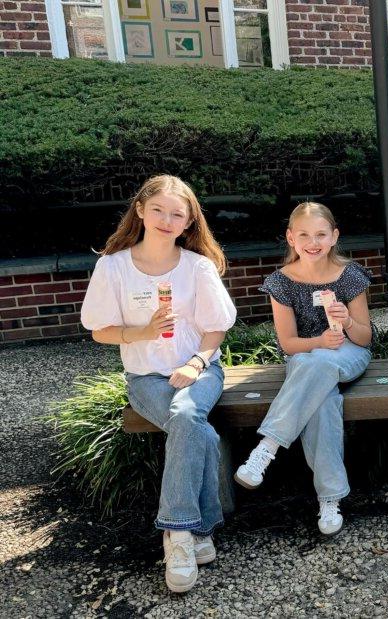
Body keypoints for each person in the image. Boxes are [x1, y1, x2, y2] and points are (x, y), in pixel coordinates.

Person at [80, 174, 236, 593]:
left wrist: (197, 363)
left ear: (188, 223)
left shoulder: (197, 266)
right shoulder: (113, 267)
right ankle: (200, 528)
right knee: (197, 429)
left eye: (177, 214)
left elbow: (216, 328)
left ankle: (177, 534)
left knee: (186, 412)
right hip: (145, 377)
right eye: (159, 210)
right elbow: (99, 330)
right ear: (141, 211)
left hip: (200, 371)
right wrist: (143, 332)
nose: (167, 220)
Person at [233, 202, 373, 536]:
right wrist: (319, 342)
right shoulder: (282, 283)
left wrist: (347, 320)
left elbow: (365, 338)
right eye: (305, 235)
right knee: (322, 402)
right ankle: (330, 498)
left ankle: (267, 447)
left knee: (321, 364)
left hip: (348, 353)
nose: (314, 242)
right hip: (308, 358)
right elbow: (288, 344)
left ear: (334, 236)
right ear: (291, 238)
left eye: (321, 234)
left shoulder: (349, 274)